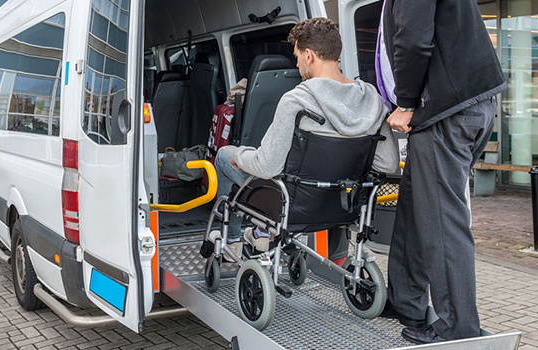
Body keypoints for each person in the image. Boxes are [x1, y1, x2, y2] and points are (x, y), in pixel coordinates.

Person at [212, 18, 398, 260]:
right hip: (345, 203)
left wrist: (240, 156)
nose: (297, 63)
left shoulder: (297, 100)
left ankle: (233, 238)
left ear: (309, 55)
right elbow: (388, 164)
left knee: (225, 156)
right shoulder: (372, 99)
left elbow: (267, 166)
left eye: (297, 56)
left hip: (294, 204)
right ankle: (258, 233)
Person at [375, 0, 506, 344]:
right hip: (467, 104)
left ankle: (457, 331)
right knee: (415, 206)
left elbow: (414, 39)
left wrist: (405, 103)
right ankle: (405, 301)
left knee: (441, 221)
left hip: (446, 111)